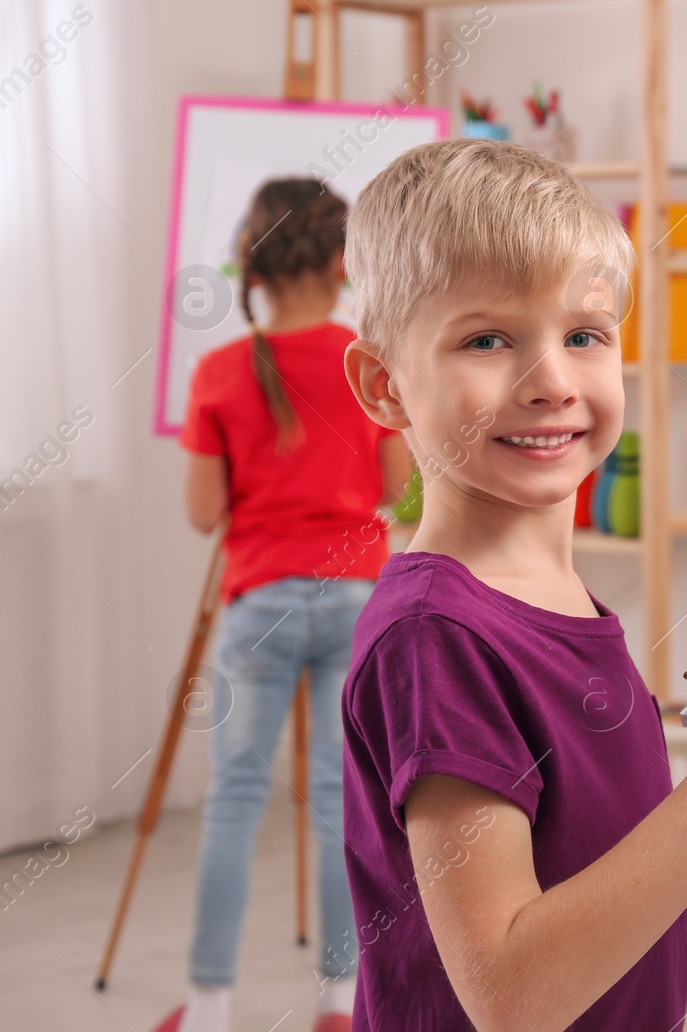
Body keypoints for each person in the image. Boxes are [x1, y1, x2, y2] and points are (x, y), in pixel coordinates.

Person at [336, 138, 687, 1031]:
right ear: (385, 385)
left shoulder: (560, 598)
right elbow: (512, 994)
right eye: (488, 339)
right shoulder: (436, 635)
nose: (553, 381)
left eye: (584, 336)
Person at [161, 180, 413, 1032]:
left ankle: (208, 1007)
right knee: (344, 801)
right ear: (345, 262)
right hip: (357, 596)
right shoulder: (365, 360)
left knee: (233, 798)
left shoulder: (219, 371)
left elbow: (202, 512)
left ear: (257, 262)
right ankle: (341, 1003)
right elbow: (399, 489)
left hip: (258, 601)